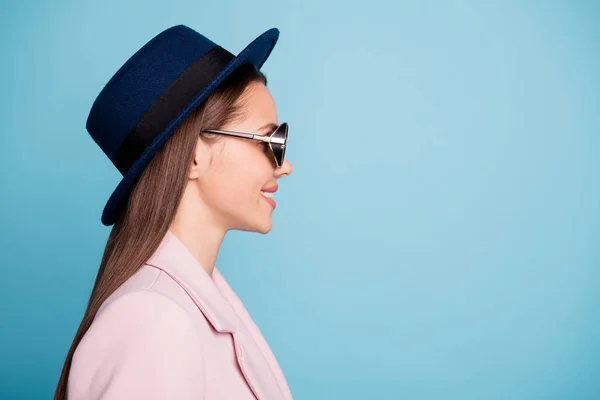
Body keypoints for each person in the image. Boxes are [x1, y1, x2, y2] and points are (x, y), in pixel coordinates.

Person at [53, 24, 294, 400]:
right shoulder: (152, 319)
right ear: (195, 156)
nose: (284, 165)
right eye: (270, 141)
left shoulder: (195, 300)